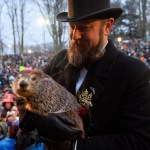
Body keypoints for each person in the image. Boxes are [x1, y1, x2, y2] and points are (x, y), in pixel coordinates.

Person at [19, 0, 150, 149]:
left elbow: (140, 140)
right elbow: (31, 100)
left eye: (84, 27)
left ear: (107, 26)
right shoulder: (59, 60)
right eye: (71, 26)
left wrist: (75, 146)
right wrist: (29, 124)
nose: (74, 36)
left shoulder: (133, 72)